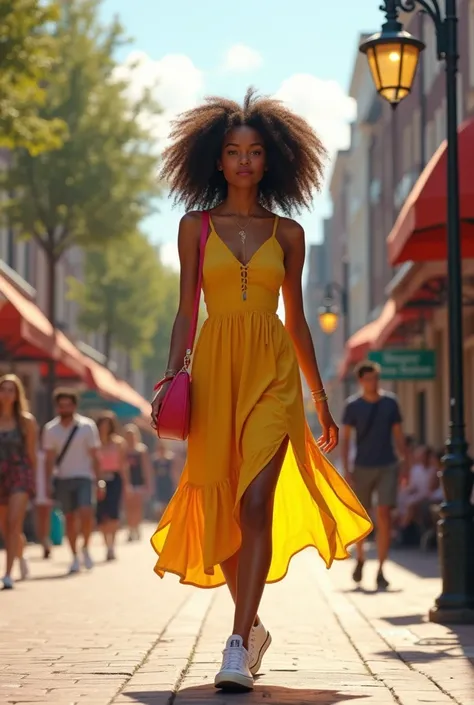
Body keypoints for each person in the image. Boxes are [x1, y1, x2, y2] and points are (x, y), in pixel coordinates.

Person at [150, 89, 372, 692]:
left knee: (254, 505)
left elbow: (297, 321)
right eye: (231, 151)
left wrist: (319, 399)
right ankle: (253, 627)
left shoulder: (289, 234)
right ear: (215, 161)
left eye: (253, 152)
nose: (243, 161)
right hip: (215, 370)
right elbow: (185, 311)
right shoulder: (194, 227)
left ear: (269, 160)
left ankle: (234, 644)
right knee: (221, 508)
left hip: (272, 374)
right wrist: (173, 376)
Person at [341, 361, 406, 590]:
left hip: (388, 464)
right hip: (362, 466)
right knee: (363, 517)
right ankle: (360, 557)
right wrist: (347, 470)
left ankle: (381, 569)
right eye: (368, 379)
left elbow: (398, 435)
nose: (373, 383)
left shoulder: (390, 403)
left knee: (384, 515)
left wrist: (404, 464)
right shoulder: (353, 406)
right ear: (361, 381)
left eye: (375, 378)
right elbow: (346, 439)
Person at [43, 389, 101, 574]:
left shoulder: (87, 426)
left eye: (68, 405)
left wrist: (99, 480)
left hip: (84, 476)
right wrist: (46, 483)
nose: (65, 408)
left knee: (86, 513)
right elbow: (49, 459)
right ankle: (75, 556)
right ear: (57, 407)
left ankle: (85, 547)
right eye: (61, 405)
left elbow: (95, 456)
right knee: (69, 518)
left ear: (75, 406)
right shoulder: (51, 429)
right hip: (63, 478)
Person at [0, 374, 37, 589]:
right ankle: (21, 555)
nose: (6, 393)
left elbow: (32, 454)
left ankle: (7, 574)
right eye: (3, 389)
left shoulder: (26, 421)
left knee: (14, 523)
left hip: (20, 475)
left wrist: (38, 485)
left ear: (17, 394)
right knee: (6, 528)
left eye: (10, 389)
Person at [96, 412, 129, 561]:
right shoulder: (94, 442)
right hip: (99, 478)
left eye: (107, 425)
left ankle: (112, 546)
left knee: (114, 512)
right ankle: (106, 543)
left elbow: (123, 465)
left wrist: (126, 484)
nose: (105, 428)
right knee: (102, 513)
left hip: (115, 478)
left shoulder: (119, 442)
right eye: (102, 425)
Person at [35, 425, 53, 559]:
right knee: (39, 515)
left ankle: (46, 541)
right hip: (35, 485)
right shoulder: (31, 448)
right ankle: (43, 540)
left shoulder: (50, 449)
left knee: (46, 514)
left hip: (46, 484)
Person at [151, 440, 175, 521]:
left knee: (168, 506)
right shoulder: (155, 460)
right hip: (159, 485)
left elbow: (173, 473)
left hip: (168, 485)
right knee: (159, 506)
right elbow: (153, 474)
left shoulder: (170, 459)